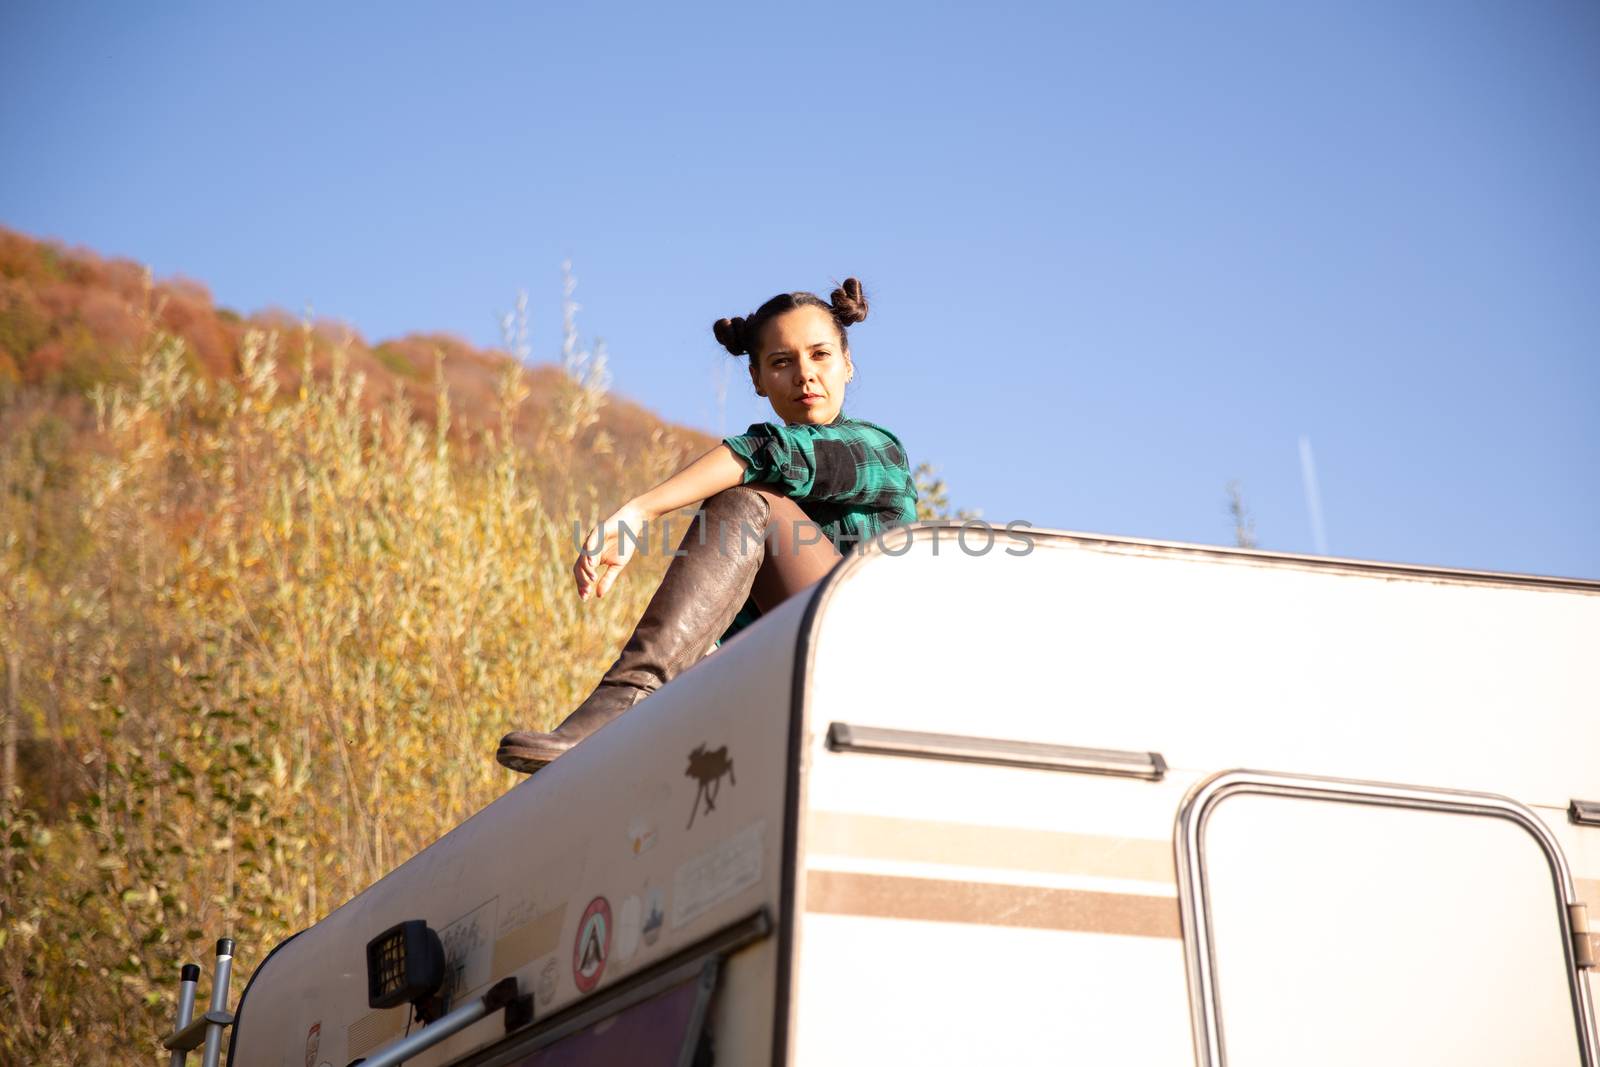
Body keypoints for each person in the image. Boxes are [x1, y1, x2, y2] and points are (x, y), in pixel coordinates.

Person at [495, 277, 918, 774]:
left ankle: (621, 701)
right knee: (723, 560)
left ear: (847, 363)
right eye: (781, 362)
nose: (805, 375)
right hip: (787, 680)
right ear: (758, 380)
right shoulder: (762, 548)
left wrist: (639, 512)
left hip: (867, 662)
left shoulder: (877, 450)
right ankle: (635, 730)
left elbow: (773, 455)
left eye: (820, 355)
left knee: (746, 498)